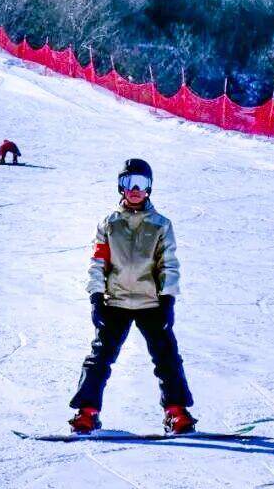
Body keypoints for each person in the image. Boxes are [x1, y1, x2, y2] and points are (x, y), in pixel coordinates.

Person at [68, 158, 197, 436]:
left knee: (167, 358)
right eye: (129, 183)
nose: (135, 189)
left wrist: (168, 299)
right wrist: (96, 297)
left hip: (151, 303)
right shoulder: (109, 224)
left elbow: (168, 264)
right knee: (100, 357)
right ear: (121, 187)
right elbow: (98, 262)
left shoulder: (161, 225)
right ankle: (87, 413)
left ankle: (176, 412)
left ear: (149, 187)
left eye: (141, 183)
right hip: (115, 302)